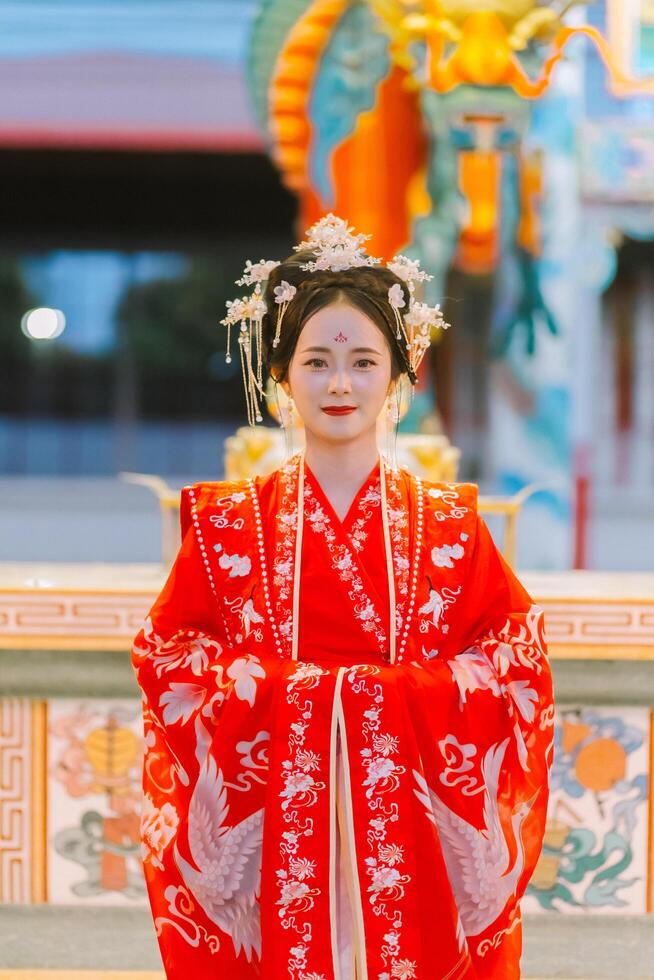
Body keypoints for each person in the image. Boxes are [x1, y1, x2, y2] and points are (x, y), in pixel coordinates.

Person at [132, 215, 554, 980]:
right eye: (316, 361)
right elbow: (169, 655)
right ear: (278, 376)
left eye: (363, 361)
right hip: (273, 840)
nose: (338, 384)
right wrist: (292, 698)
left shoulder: (451, 525)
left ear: (398, 376)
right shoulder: (227, 525)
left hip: (413, 837)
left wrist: (377, 701)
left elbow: (512, 657)